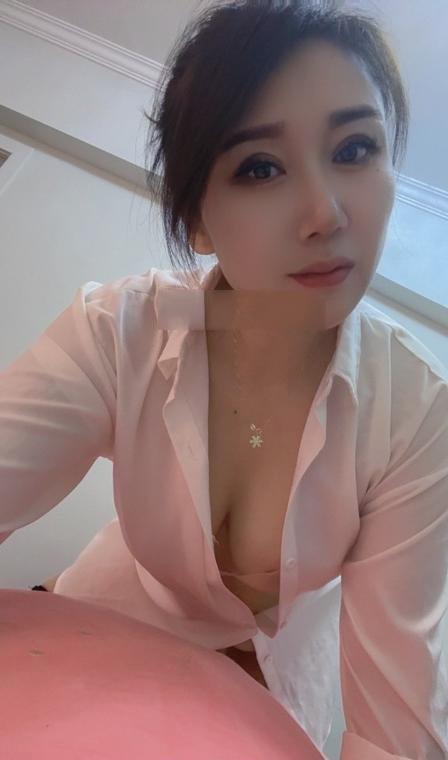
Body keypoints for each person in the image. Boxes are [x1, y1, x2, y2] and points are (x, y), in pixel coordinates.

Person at [2, 1, 447, 757]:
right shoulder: (120, 330)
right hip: (96, 638)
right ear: (198, 222)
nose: (325, 213)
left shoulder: (416, 412)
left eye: (355, 148)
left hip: (267, 699)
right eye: (260, 167)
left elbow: (395, 729)